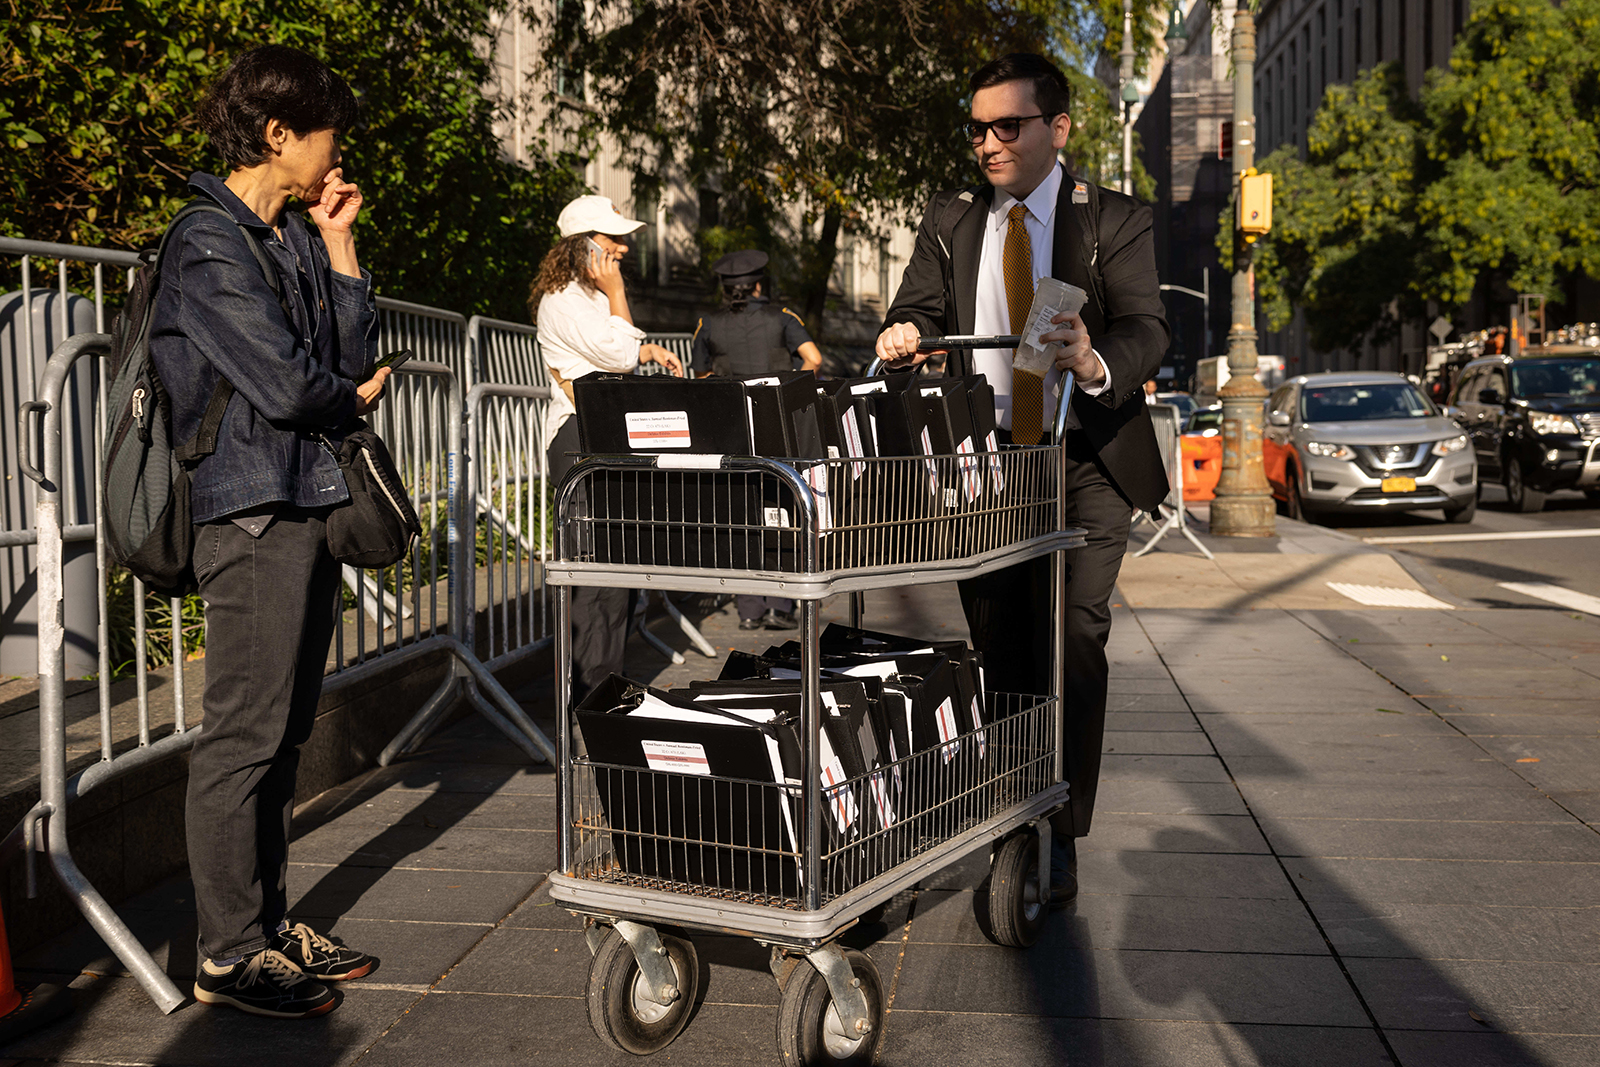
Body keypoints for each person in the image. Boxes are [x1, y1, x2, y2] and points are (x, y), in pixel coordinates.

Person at [875, 53, 1169, 910]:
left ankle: (1064, 824)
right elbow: (918, 309)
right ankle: (1011, 813)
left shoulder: (1110, 218)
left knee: (1075, 635)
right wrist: (903, 331)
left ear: (1058, 128)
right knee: (1000, 646)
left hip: (1085, 456)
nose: (989, 143)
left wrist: (1098, 358)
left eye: (1009, 125)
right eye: (977, 129)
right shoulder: (952, 219)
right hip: (989, 461)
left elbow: (1149, 325)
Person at [153, 45, 388, 1018]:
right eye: (326, 132)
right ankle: (225, 949)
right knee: (243, 732)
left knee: (285, 730)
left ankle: (266, 919)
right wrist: (354, 394)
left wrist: (338, 247)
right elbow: (298, 383)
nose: (337, 154)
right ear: (279, 133)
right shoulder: (207, 242)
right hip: (248, 508)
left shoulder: (285, 236)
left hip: (304, 498)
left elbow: (343, 350)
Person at [531, 195, 685, 702]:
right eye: (611, 240)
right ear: (582, 247)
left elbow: (613, 348)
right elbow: (616, 354)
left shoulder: (585, 298)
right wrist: (620, 297)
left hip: (599, 440)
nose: (622, 248)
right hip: (578, 443)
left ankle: (604, 684)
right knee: (596, 574)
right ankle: (592, 691)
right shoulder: (565, 300)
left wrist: (644, 348)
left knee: (614, 572)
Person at [691, 248, 819, 630]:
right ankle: (781, 605)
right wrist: (785, 384)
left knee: (739, 513)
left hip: (731, 428)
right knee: (780, 506)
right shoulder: (782, 319)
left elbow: (700, 375)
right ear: (760, 283)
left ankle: (749, 611)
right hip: (774, 423)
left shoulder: (707, 323)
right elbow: (813, 359)